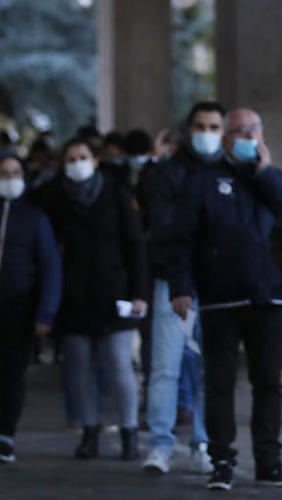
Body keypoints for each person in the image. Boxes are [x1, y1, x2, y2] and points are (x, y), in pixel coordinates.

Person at [168, 107, 282, 490]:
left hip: (267, 298)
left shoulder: (277, 180)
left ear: (262, 136)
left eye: (251, 131)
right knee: (220, 384)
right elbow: (181, 240)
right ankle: (221, 460)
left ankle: (269, 462)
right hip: (220, 300)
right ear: (226, 138)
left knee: (268, 384)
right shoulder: (202, 181)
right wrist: (180, 287)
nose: (245, 138)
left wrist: (263, 173)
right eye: (238, 132)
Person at [33, 137, 149, 460]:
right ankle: (90, 432)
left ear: (95, 160)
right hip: (75, 296)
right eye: (70, 158)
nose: (77, 163)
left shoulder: (116, 194)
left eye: (82, 157)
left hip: (116, 293)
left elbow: (135, 244)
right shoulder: (55, 198)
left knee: (121, 365)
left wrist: (140, 292)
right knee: (80, 368)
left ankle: (129, 433)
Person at [138, 101, 226, 475]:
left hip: (219, 282)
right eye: (201, 126)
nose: (207, 133)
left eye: (214, 126)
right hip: (173, 280)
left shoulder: (231, 172)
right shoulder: (169, 171)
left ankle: (203, 443)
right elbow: (165, 227)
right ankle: (160, 444)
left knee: (212, 369)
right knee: (164, 367)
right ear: (189, 130)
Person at [0, 153, 62, 463]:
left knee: (11, 373)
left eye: (14, 173)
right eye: (4, 173)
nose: (9, 179)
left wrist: (46, 312)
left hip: (19, 309)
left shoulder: (35, 218)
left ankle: (5, 436)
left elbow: (50, 267)